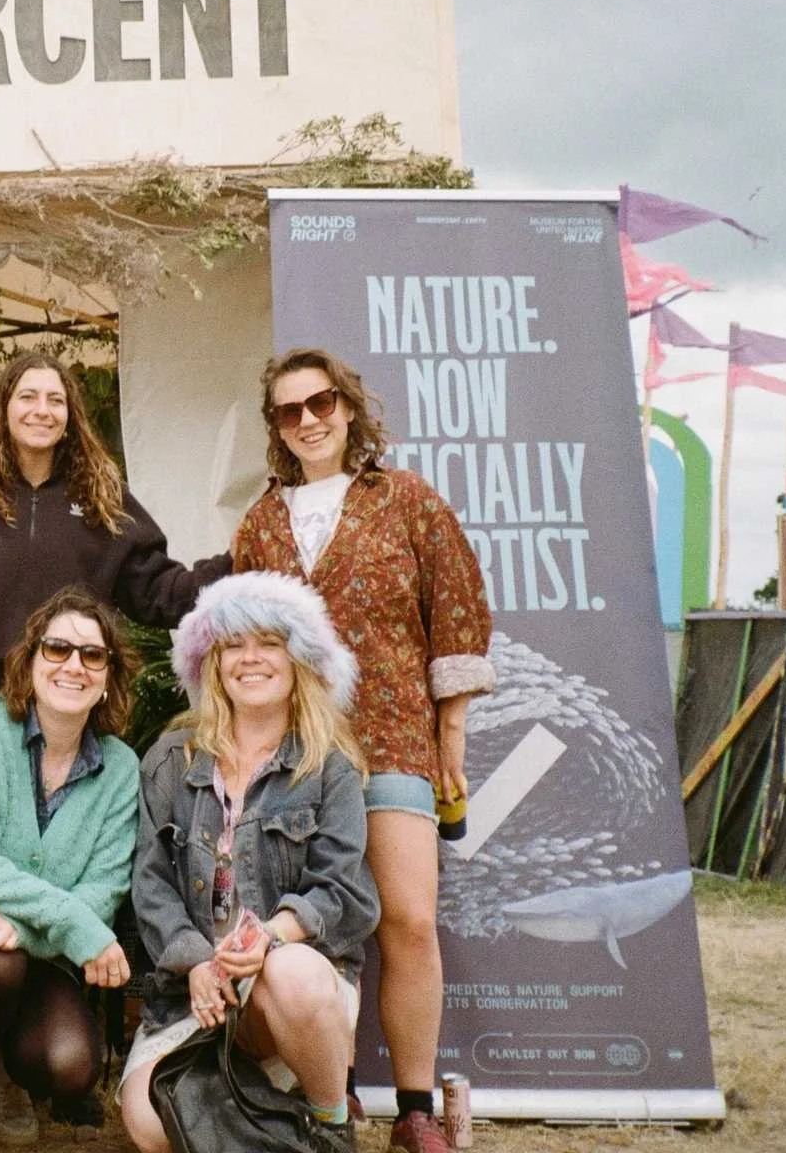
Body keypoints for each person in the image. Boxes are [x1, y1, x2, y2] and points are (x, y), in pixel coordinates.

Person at [231, 348, 494, 1153]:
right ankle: (328, 1095)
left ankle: (414, 1109)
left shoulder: (407, 500)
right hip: (293, 755)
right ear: (274, 427)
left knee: (408, 921)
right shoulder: (259, 521)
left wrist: (448, 737)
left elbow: (455, 615)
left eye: (321, 403)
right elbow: (243, 642)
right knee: (311, 926)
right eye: (288, 410)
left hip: (391, 743)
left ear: (347, 408)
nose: (308, 420)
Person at [121, 571, 379, 1153]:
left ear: (299, 661)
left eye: (268, 643)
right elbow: (151, 885)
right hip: (195, 991)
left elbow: (343, 891)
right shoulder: (170, 757)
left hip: (290, 994)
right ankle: (265, 1120)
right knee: (150, 1129)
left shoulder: (328, 765)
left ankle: (330, 1125)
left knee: (292, 972)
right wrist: (195, 965)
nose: (249, 659)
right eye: (232, 644)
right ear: (211, 664)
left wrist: (267, 938)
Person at [0, 587, 140, 1147]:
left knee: (69, 1064)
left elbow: (103, 889)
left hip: (38, 953)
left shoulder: (120, 767)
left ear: (110, 675)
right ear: (29, 659)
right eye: (57, 649)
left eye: (93, 655)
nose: (74, 665)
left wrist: (22, 926)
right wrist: (73, 928)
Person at [0, 348, 232, 698]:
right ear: (3, 408)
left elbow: (156, 592)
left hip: (74, 690)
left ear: (70, 415)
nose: (42, 411)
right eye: (28, 397)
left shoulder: (101, 494)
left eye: (55, 400)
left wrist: (233, 563)